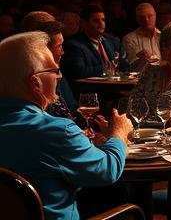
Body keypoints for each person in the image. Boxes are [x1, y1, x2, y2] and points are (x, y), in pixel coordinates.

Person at [0, 32, 133, 220]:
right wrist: (119, 133)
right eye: (54, 71)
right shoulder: (55, 131)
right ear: (35, 83)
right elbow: (108, 170)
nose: (59, 77)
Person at [63, 5, 128, 95]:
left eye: (103, 20)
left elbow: (125, 66)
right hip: (92, 94)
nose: (101, 24)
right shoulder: (73, 45)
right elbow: (80, 72)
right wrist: (108, 68)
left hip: (118, 90)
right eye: (96, 21)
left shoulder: (113, 41)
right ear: (84, 23)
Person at [123, 2, 161, 69]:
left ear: (155, 16)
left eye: (150, 16)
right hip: (141, 77)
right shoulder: (129, 39)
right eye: (142, 17)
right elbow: (129, 67)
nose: (146, 20)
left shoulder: (163, 36)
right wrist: (140, 60)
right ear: (137, 19)